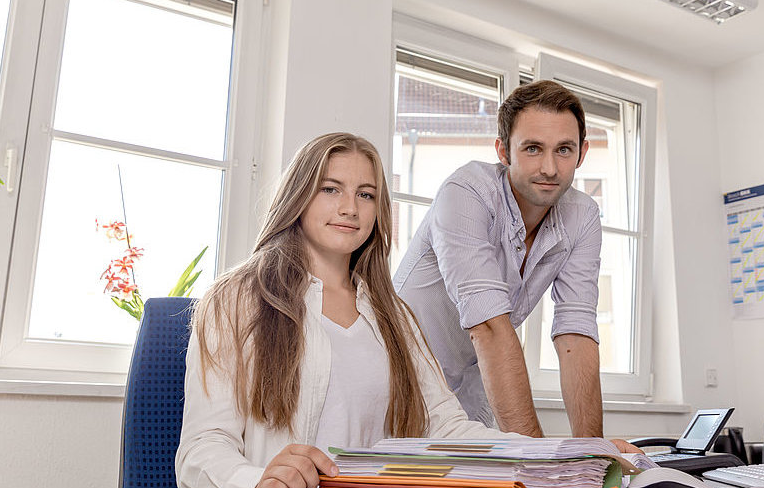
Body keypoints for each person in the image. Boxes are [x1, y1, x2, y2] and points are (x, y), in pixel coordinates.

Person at [175, 132, 524, 488]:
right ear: (299, 195)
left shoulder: (394, 316)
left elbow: (444, 425)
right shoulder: (236, 300)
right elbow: (202, 449)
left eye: (366, 194)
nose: (350, 208)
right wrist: (259, 480)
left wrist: (542, 456)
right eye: (330, 189)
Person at [393, 80, 605, 439]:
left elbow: (576, 332)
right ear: (503, 151)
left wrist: (595, 457)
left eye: (564, 150)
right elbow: (488, 327)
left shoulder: (583, 216)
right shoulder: (466, 193)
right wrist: (539, 461)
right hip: (401, 377)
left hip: (475, 390)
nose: (551, 168)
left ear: (582, 153)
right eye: (533, 149)